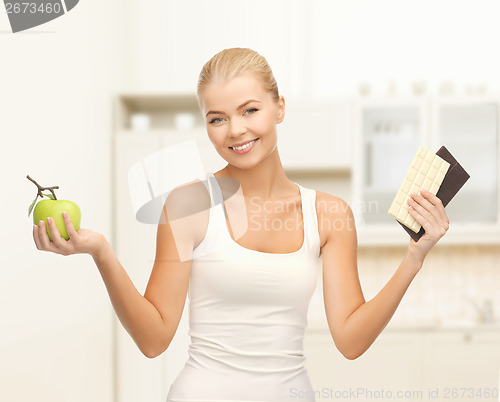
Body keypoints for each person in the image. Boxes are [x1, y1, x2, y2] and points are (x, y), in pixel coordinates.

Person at [32, 47, 450, 402]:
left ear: (279, 107)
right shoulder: (189, 205)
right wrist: (101, 251)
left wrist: (414, 257)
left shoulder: (329, 213)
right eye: (217, 118)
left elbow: (351, 341)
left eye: (250, 110)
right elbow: (154, 338)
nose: (236, 130)